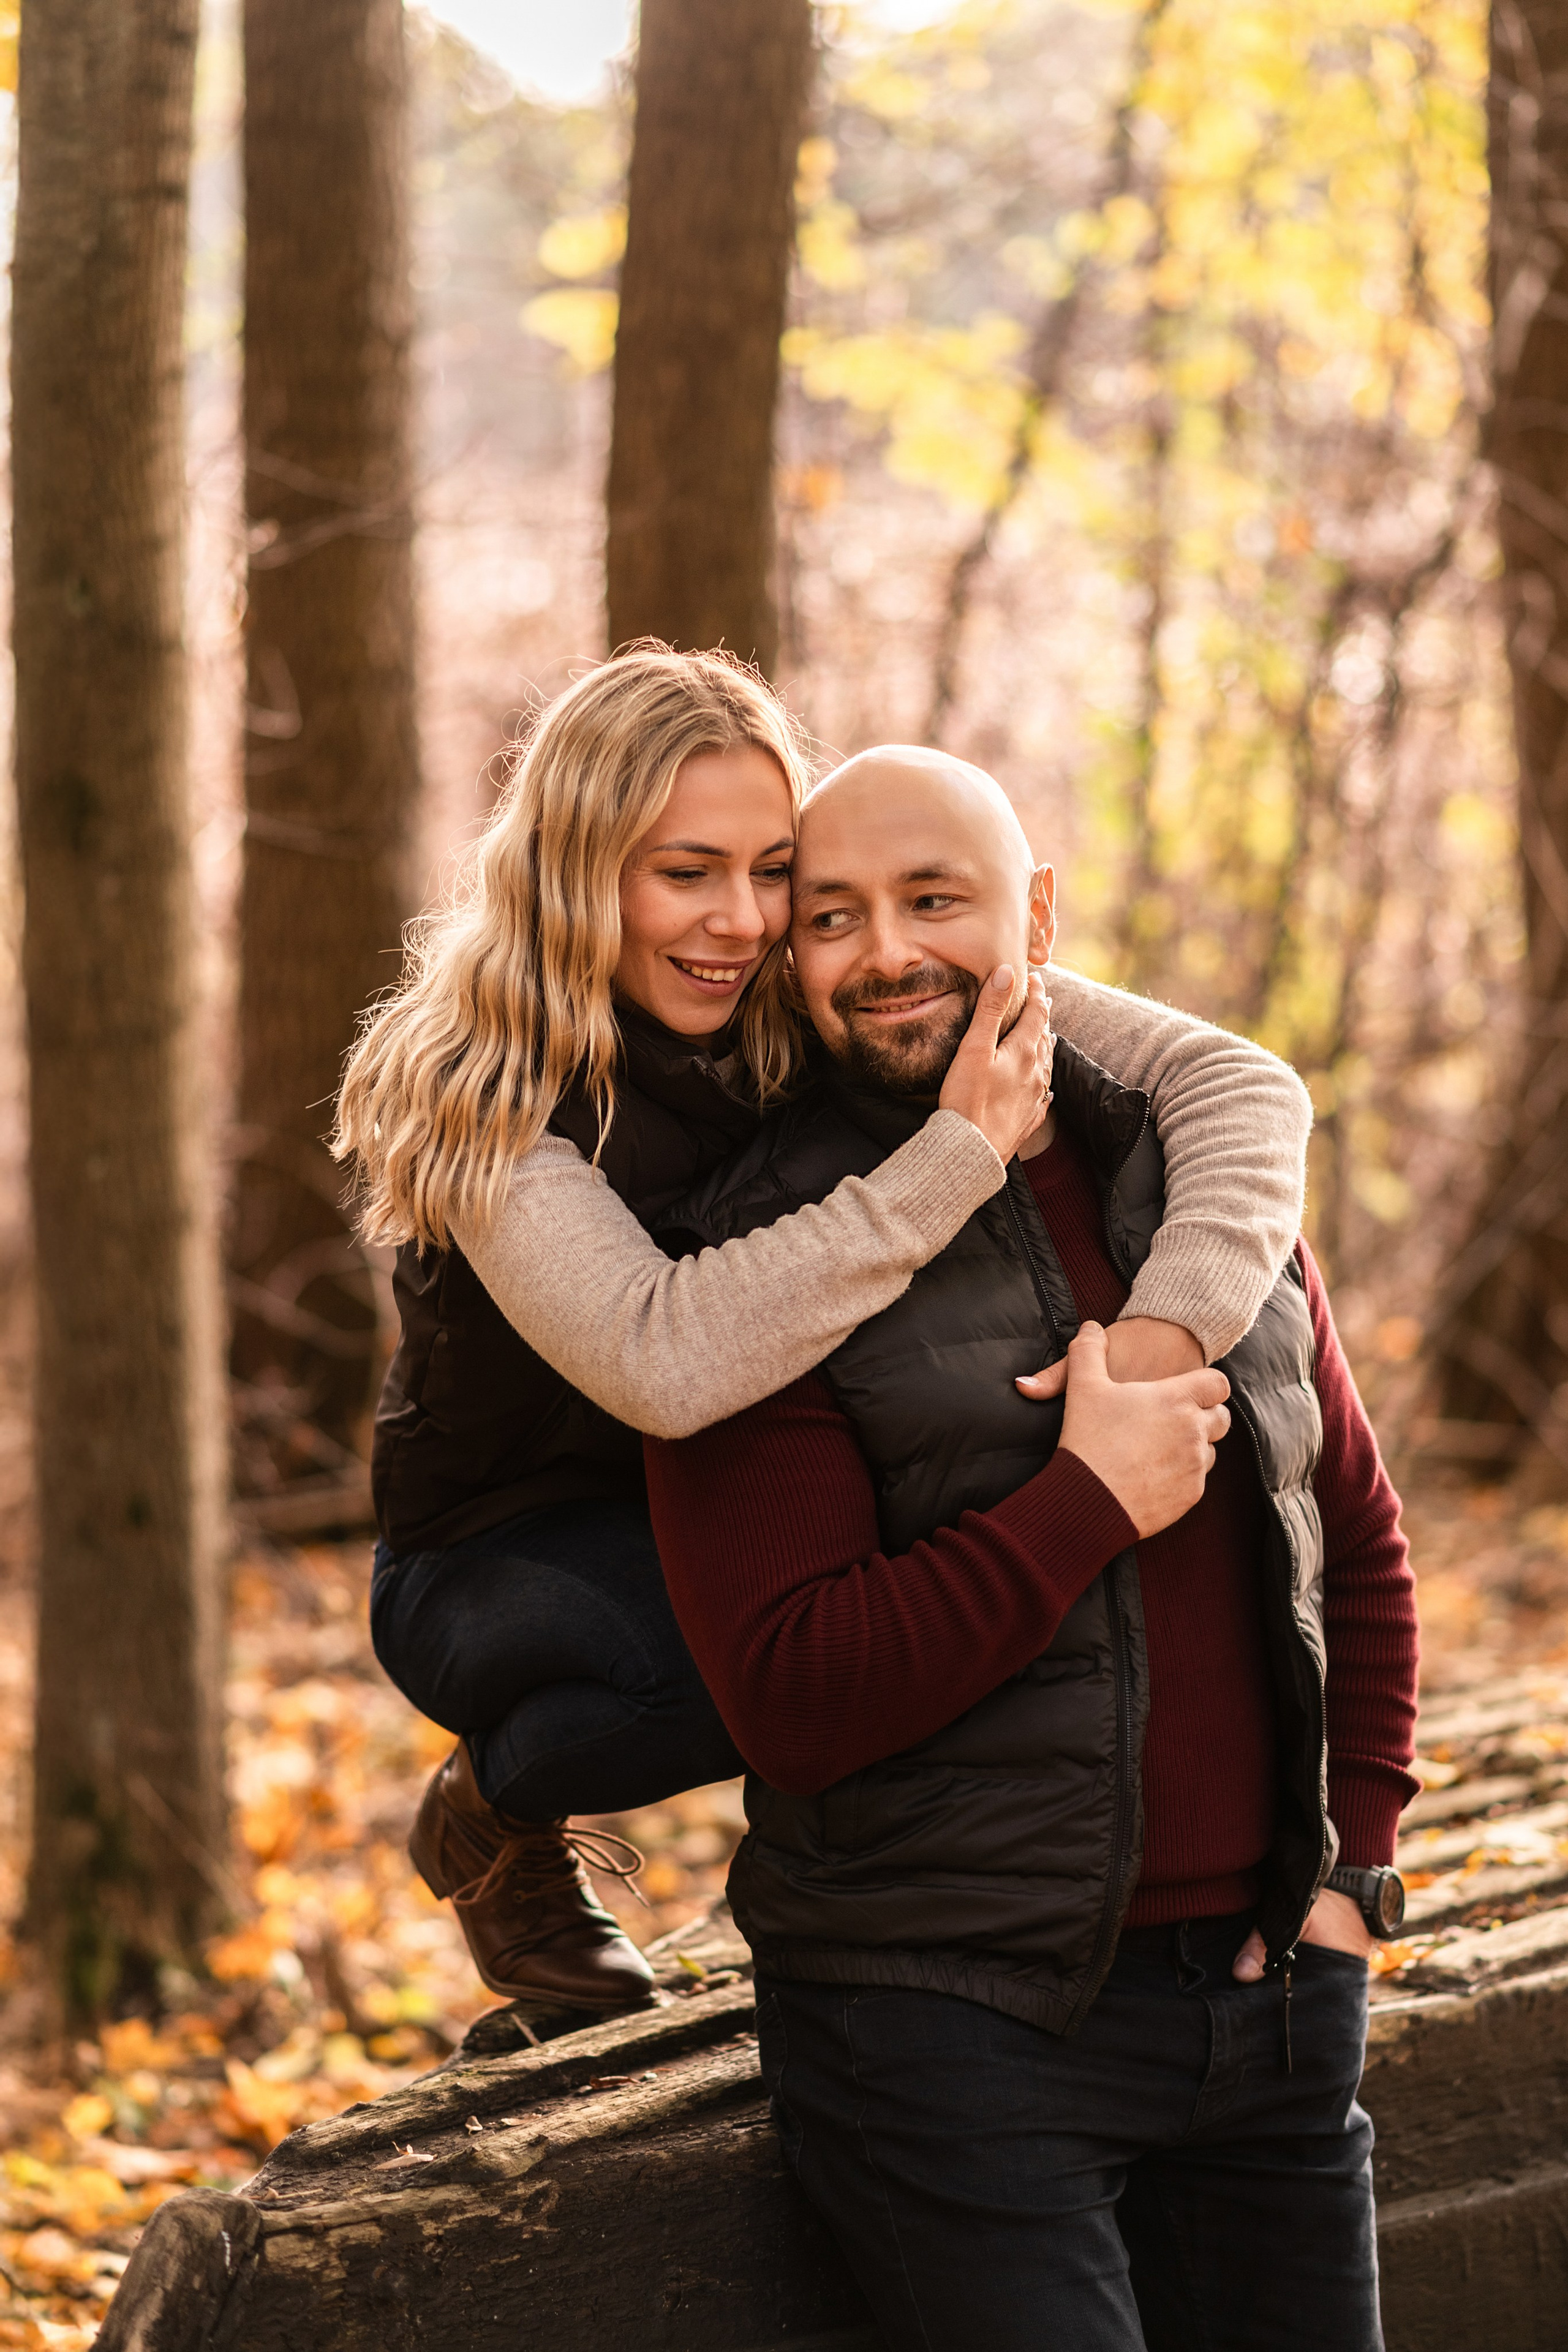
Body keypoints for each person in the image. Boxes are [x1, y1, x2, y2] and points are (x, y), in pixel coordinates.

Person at [336, 646, 1314, 2019]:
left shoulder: (828, 979)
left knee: (906, 1584)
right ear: (574, 872)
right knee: (743, 1677)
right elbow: (657, 1359)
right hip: (504, 1550)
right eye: (684, 872)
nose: (739, 921)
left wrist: (1165, 1334)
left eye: (771, 871)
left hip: (728, 1491)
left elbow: (1233, 1080)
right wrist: (953, 1158)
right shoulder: (485, 1090)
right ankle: (491, 1809)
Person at [644, 746, 1419, 2351]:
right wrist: (1081, 1504)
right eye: (836, 916)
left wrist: (1352, 1878)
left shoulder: (1202, 1177)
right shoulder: (763, 1255)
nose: (888, 951)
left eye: (936, 900)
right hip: (947, 2031)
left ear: (1038, 913)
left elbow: (1352, 1539)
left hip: (1274, 2007)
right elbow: (792, 1691)